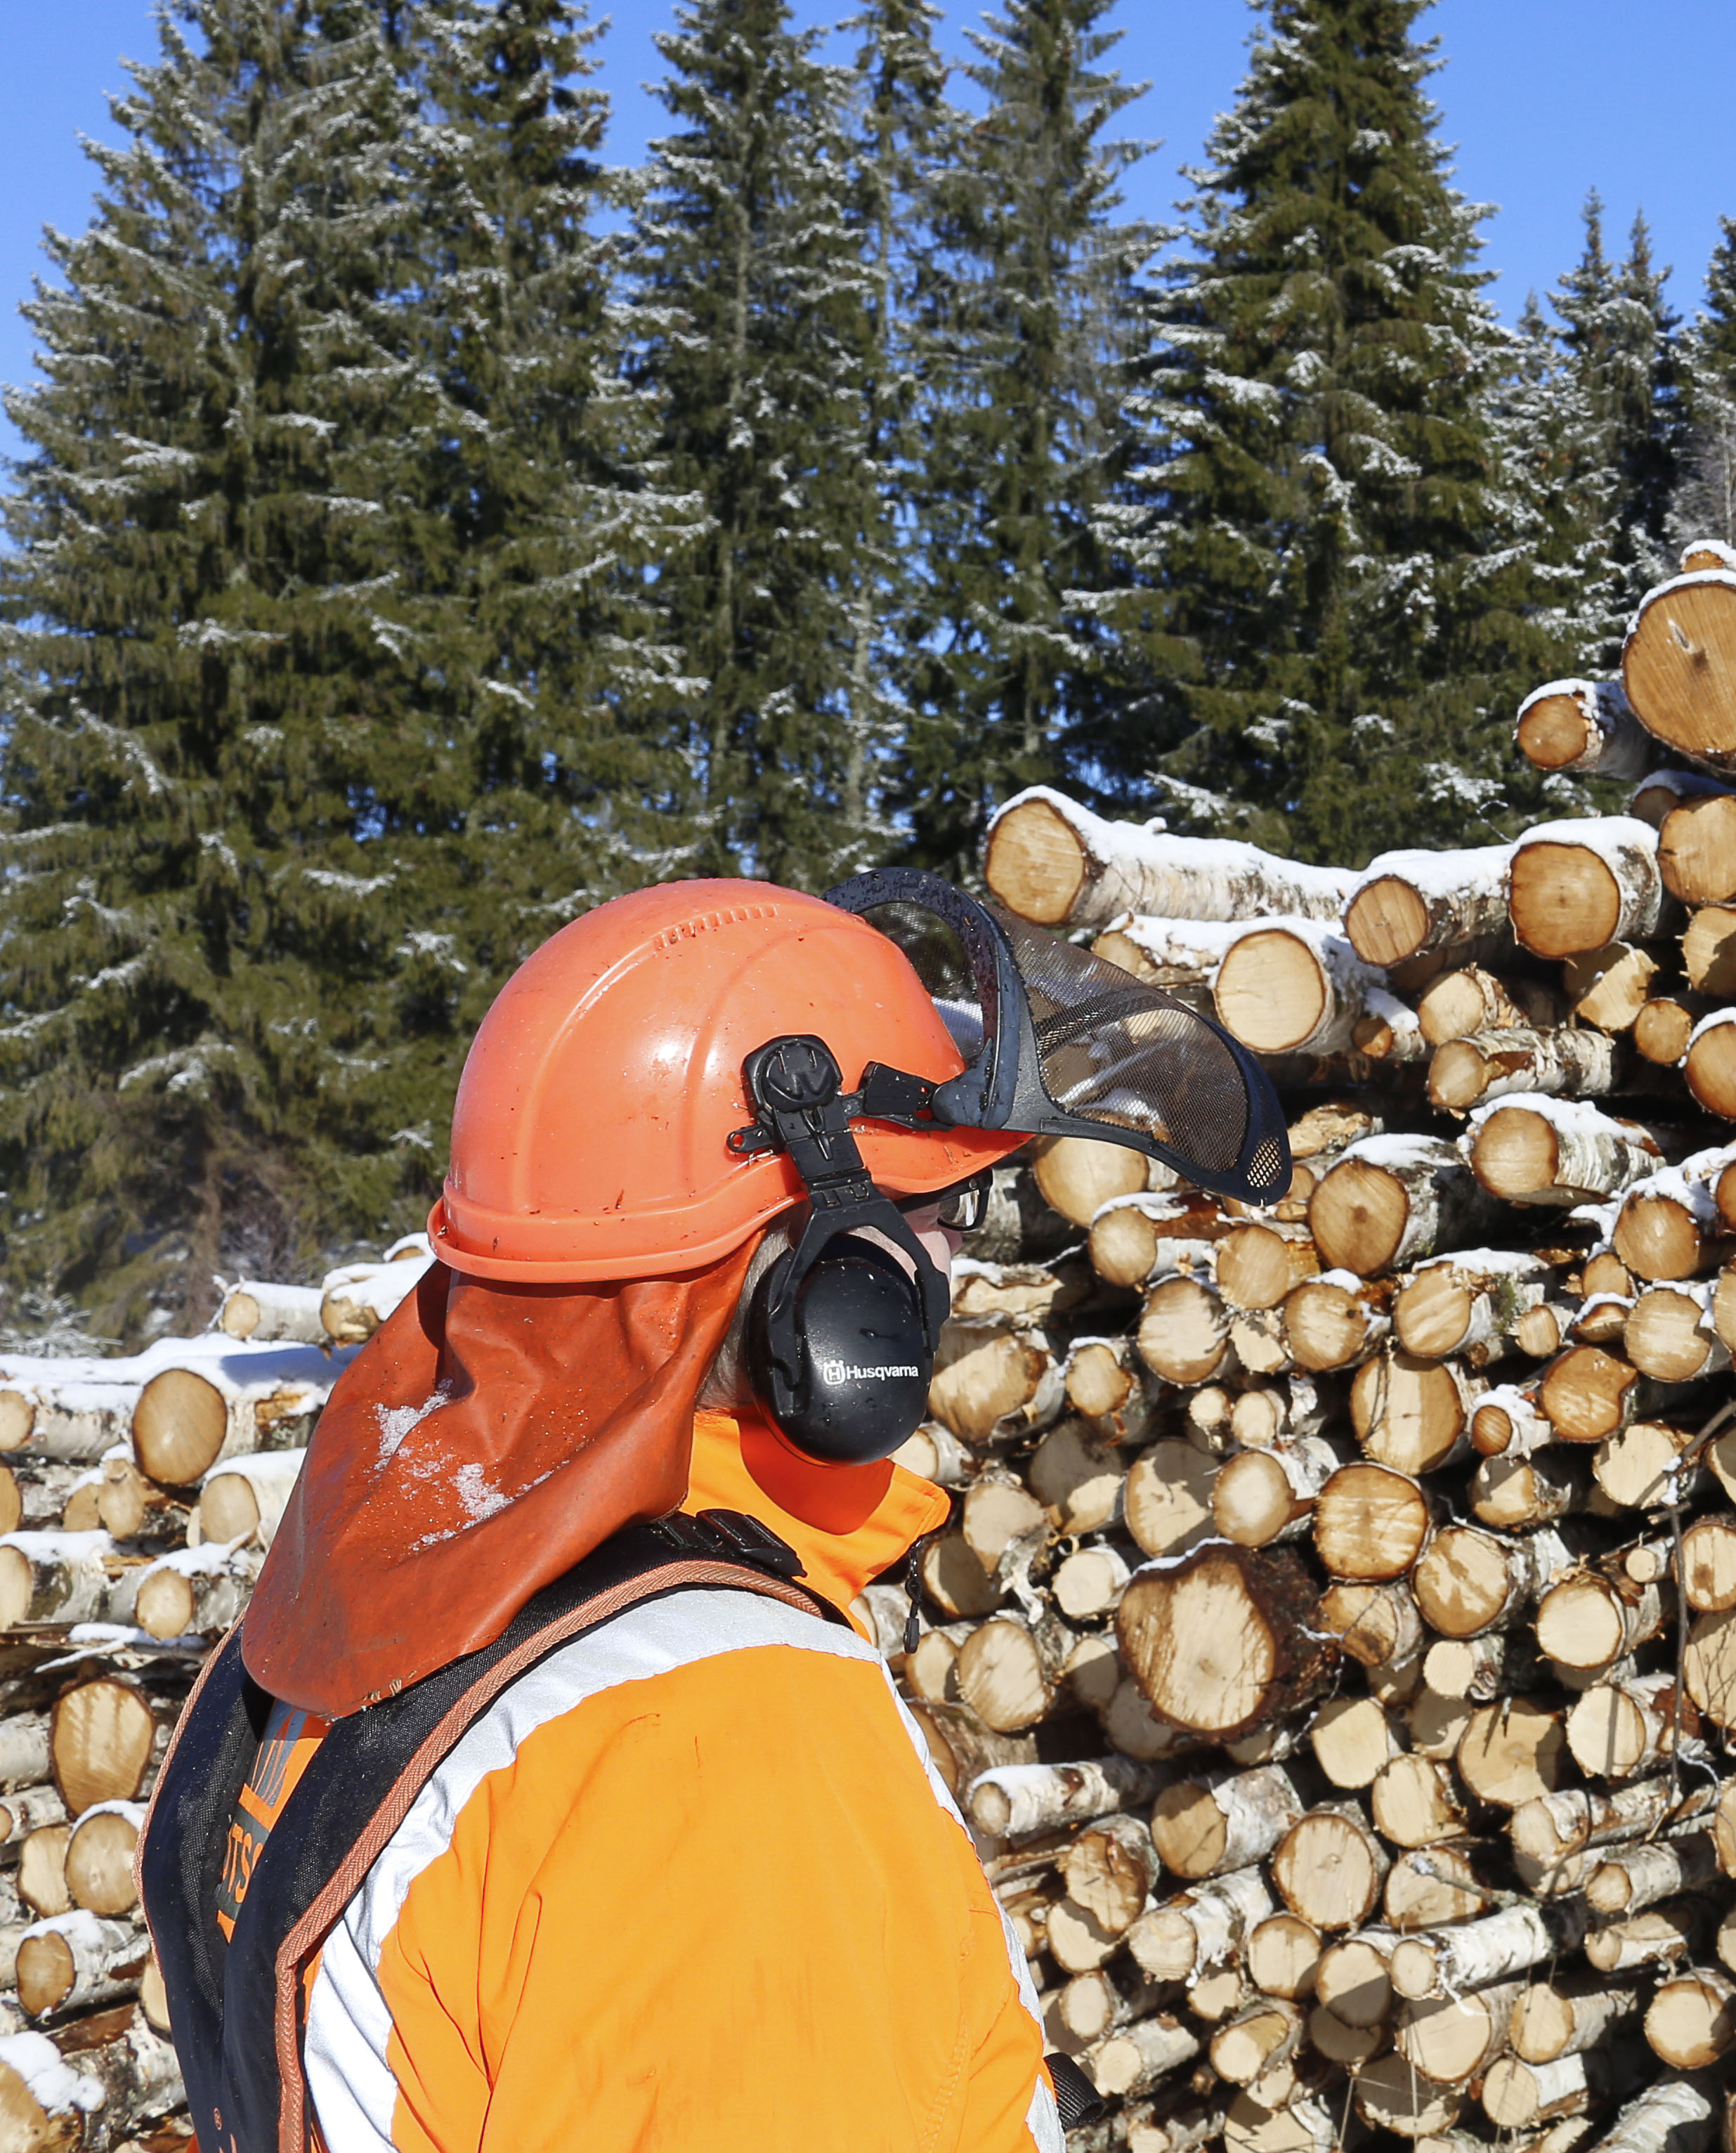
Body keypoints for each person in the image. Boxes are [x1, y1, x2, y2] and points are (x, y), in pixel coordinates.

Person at [145, 872, 1286, 2153]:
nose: (952, 1272)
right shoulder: (717, 1741)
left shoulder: (385, 1584)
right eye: (941, 1214)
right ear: (828, 1282)